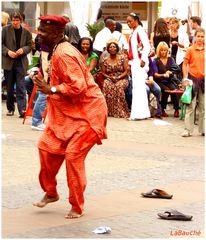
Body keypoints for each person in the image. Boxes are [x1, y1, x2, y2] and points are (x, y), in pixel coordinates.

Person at [32, 15, 107, 219]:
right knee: (45, 148)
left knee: (73, 156)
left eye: (43, 32)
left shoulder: (64, 53)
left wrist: (52, 88)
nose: (39, 35)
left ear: (57, 33)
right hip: (67, 114)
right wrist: (46, 83)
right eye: (39, 30)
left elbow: (78, 86)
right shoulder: (56, 49)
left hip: (88, 115)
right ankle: (51, 192)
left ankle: (77, 205)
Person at [2, 11, 32, 117]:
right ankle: (10, 109)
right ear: (11, 20)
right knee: (9, 87)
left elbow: (29, 46)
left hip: (21, 62)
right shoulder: (5, 30)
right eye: (13, 20)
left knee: (21, 86)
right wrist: (7, 52)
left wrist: (23, 50)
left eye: (17, 20)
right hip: (8, 62)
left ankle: (22, 110)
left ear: (21, 20)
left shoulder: (26, 32)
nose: (15, 22)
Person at [126, 12, 151, 120]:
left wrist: (143, 59)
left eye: (130, 21)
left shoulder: (140, 31)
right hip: (135, 61)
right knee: (137, 87)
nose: (128, 23)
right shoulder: (134, 32)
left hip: (139, 61)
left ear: (136, 20)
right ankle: (142, 113)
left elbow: (147, 46)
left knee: (138, 87)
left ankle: (137, 114)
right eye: (127, 22)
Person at [181, 28, 205, 137]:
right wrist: (186, 78)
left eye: (202, 36)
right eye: (198, 36)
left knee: (203, 107)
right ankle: (187, 130)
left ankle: (203, 129)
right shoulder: (190, 50)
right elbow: (184, 64)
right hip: (192, 80)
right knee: (190, 106)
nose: (200, 38)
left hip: (203, 81)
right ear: (195, 37)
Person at [101, 40, 129, 118]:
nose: (112, 48)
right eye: (110, 47)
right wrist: (110, 77)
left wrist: (118, 77)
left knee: (118, 87)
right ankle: (109, 111)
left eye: (114, 47)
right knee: (106, 85)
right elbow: (103, 72)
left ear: (117, 48)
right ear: (108, 49)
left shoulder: (123, 58)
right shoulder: (105, 59)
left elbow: (126, 70)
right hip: (110, 78)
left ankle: (120, 111)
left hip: (122, 77)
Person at [153, 41, 180, 118]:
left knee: (174, 90)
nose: (163, 52)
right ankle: (162, 110)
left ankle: (176, 109)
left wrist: (170, 72)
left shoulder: (171, 59)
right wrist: (164, 75)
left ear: (167, 50)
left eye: (165, 50)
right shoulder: (156, 60)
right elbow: (155, 74)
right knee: (165, 90)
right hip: (159, 81)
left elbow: (176, 70)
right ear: (159, 50)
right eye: (161, 50)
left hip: (169, 80)